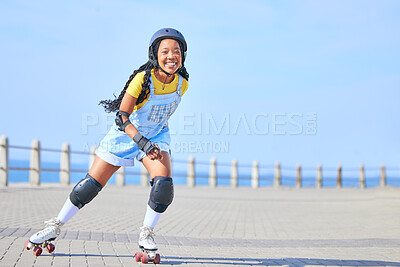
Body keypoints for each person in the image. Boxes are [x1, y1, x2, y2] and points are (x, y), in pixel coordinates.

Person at [24, 28, 189, 260]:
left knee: (163, 186)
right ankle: (54, 226)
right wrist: (140, 141)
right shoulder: (142, 79)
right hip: (126, 135)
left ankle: (146, 234)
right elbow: (122, 117)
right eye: (165, 51)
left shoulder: (182, 83)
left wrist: (153, 143)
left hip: (155, 137)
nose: (172, 56)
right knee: (90, 186)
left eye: (177, 51)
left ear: (183, 55)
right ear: (154, 54)